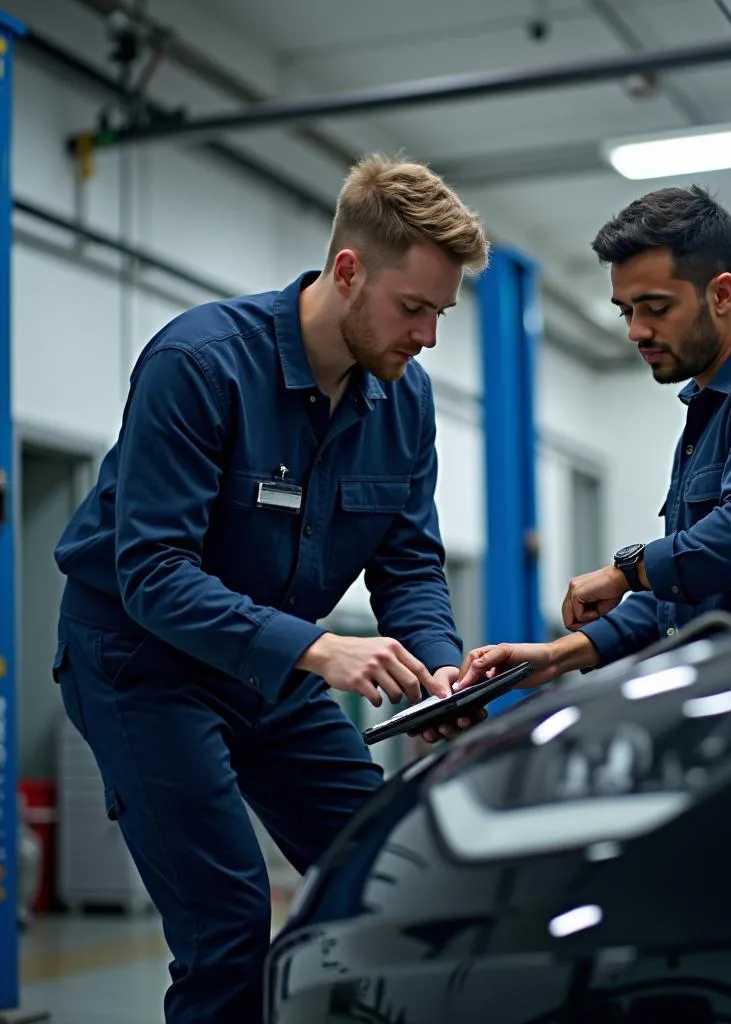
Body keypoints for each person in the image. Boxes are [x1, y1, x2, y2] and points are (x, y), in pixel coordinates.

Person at [50, 154, 489, 1023]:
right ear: (349, 271)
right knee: (230, 929)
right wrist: (320, 650)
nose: (427, 337)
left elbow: (407, 563)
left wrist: (440, 671)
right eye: (413, 310)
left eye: (440, 314)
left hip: (270, 665)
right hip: (141, 661)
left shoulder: (405, 401)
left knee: (391, 868)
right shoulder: (201, 363)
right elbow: (152, 573)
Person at [458, 184, 731, 690]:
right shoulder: (711, 406)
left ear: (720, 293)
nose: (635, 331)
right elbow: (684, 593)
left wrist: (625, 572)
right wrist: (554, 657)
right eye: (626, 310)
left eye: (655, 308)